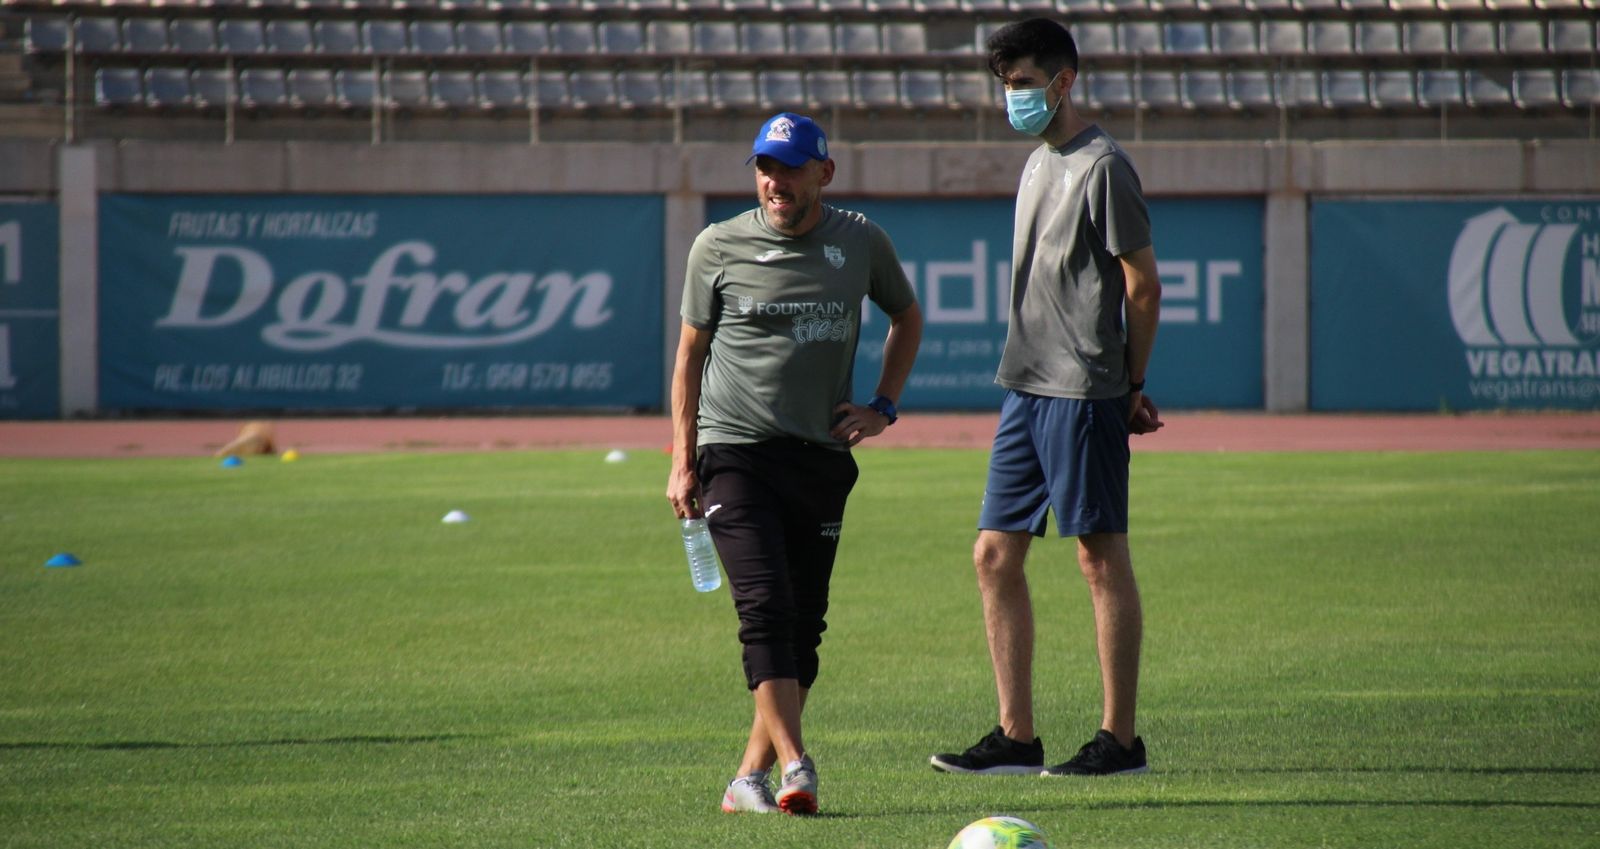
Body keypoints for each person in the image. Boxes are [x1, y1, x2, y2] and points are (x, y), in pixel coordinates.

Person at [667, 112, 923, 815]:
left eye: (788, 167)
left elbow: (908, 316)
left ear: (824, 174)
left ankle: (745, 780)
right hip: (733, 452)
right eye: (764, 167)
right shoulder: (716, 246)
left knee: (804, 622)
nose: (774, 181)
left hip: (819, 456)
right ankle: (795, 763)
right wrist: (680, 462)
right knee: (766, 607)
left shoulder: (860, 240)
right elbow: (689, 356)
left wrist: (882, 406)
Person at [929, 18, 1165, 779]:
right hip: (1025, 387)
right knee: (994, 555)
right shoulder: (1038, 162)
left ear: (1063, 82)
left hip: (1084, 388)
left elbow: (1143, 286)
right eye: (1006, 85)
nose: (1014, 97)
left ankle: (1120, 741)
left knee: (1099, 559)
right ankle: (1016, 735)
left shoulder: (1103, 166)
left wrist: (1129, 385)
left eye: (1025, 83)